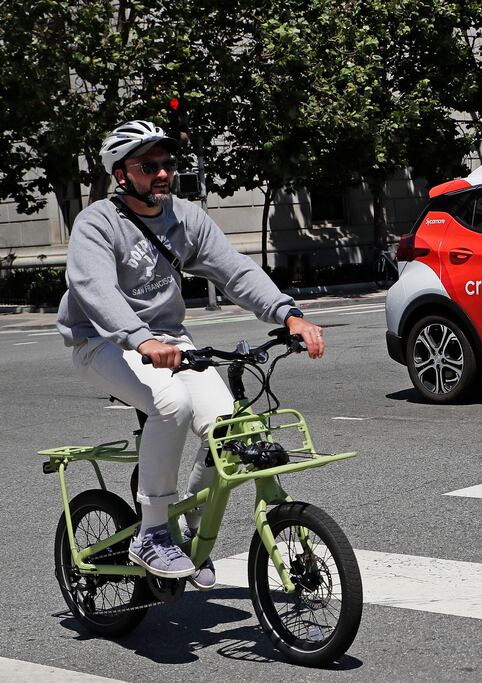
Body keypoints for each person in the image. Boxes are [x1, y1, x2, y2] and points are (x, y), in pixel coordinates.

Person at [56, 120, 325, 587]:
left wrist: (289, 316)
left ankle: (193, 530)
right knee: (171, 404)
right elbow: (93, 288)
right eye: (149, 166)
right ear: (122, 175)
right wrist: (140, 339)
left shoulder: (185, 216)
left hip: (167, 338)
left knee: (227, 428)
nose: (162, 174)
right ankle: (154, 531)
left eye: (167, 164)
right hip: (100, 339)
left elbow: (234, 270)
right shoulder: (96, 223)